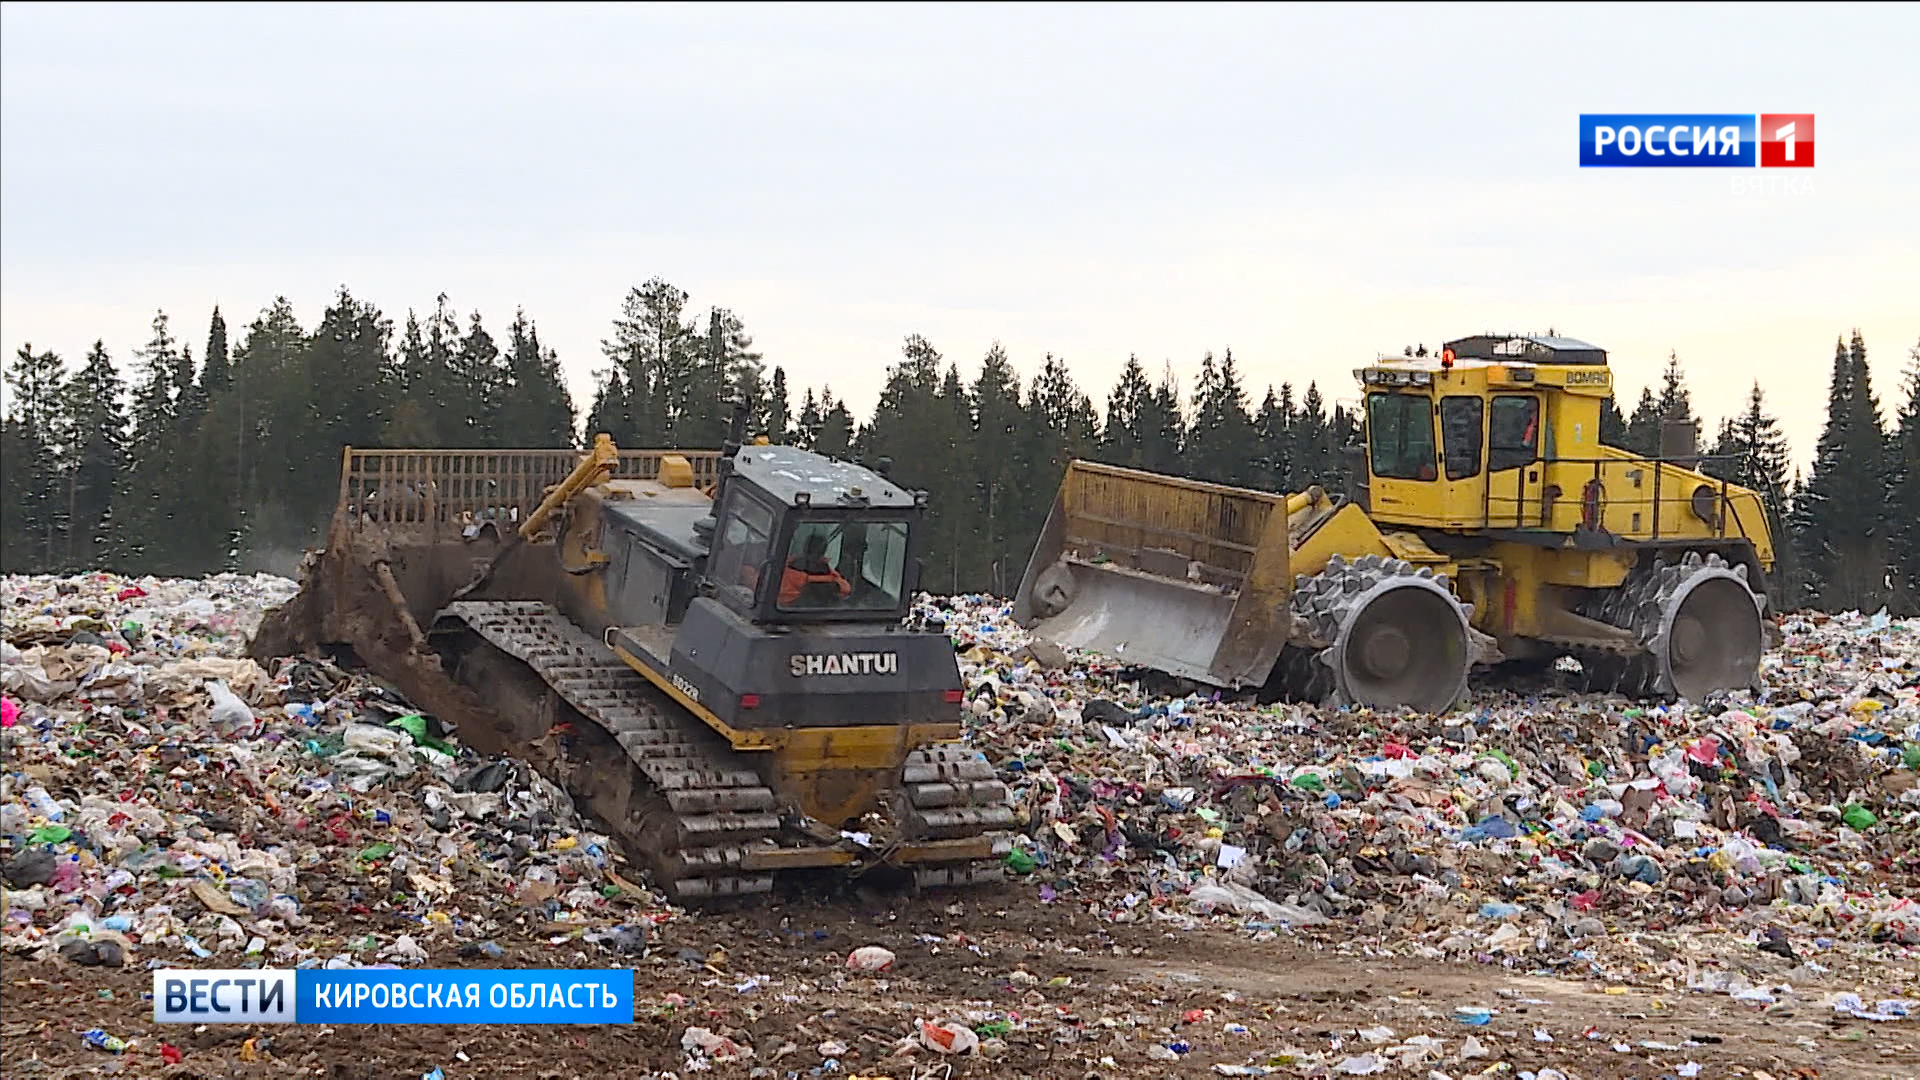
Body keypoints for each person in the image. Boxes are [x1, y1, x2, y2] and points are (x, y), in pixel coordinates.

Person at [780, 532, 852, 606]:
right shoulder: (832, 578)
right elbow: (846, 589)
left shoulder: (782, 573)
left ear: (805, 548)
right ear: (824, 550)